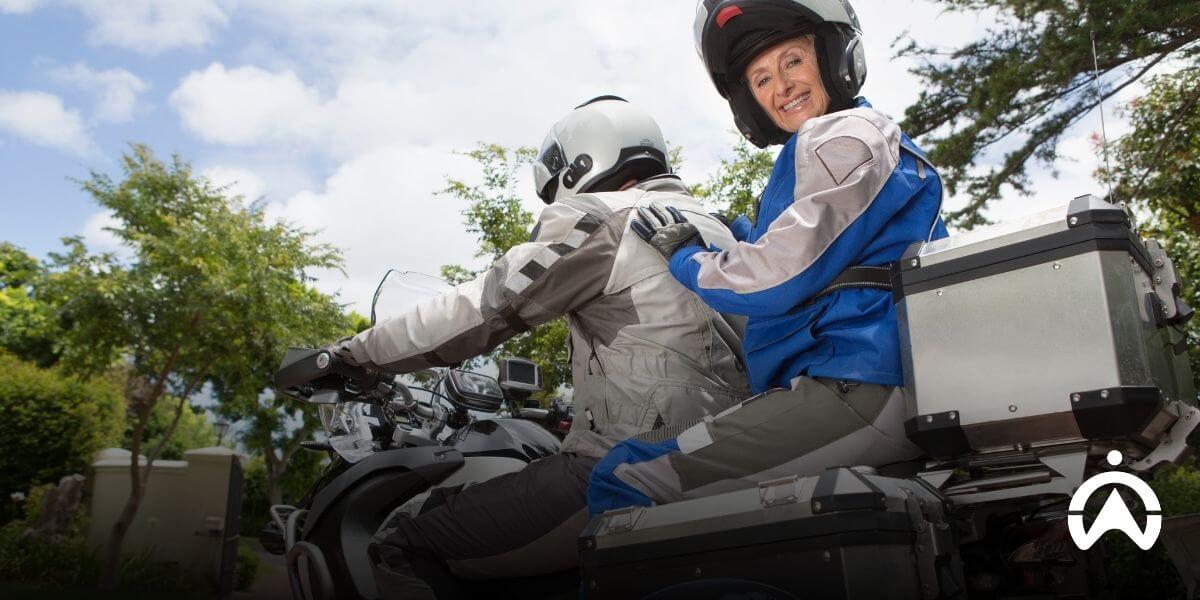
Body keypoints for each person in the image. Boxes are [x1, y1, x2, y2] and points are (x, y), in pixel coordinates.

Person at [333, 96, 749, 598]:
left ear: (576, 163)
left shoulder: (606, 220)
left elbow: (482, 308)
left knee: (402, 539)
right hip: (730, 451)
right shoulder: (717, 226)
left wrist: (354, 354)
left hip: (629, 463)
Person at [589, 0, 948, 513]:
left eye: (793, 62)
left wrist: (687, 259)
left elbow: (777, 278)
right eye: (760, 80)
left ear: (833, 59)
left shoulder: (845, 134)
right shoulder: (823, 149)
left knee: (626, 475)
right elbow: (803, 245)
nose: (781, 87)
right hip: (855, 380)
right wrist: (732, 235)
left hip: (858, 382)